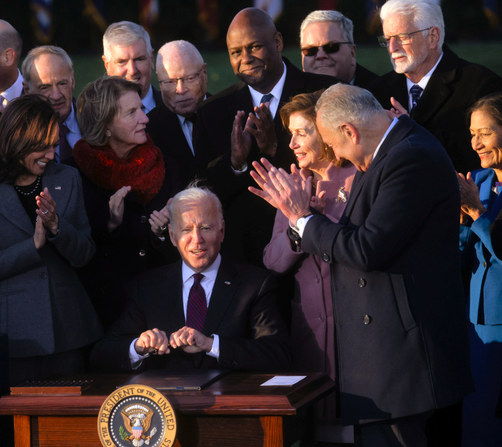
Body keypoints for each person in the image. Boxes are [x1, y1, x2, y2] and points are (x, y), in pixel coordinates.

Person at [251, 83, 471, 446]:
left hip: (402, 360)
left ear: (349, 131)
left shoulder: (408, 157)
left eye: (335, 145)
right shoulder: (395, 148)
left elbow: (368, 249)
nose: (341, 157)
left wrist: (303, 219)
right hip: (381, 361)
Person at [0, 94, 101, 385]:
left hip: (65, 332)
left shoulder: (68, 178)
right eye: (43, 146)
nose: (51, 154)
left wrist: (57, 228)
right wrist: (31, 246)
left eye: (54, 144)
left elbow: (85, 253)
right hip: (7, 336)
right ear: (19, 140)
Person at [90, 185, 291, 372]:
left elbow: (278, 355)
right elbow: (101, 355)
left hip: (231, 404)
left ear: (221, 231)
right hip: (166, 405)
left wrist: (211, 344)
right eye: (186, 230)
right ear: (172, 236)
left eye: (205, 228)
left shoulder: (254, 285)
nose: (197, 239)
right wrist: (138, 347)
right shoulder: (146, 288)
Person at [197, 7, 337, 267]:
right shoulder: (213, 112)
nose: (246, 58)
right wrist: (235, 164)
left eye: (255, 47)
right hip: (243, 262)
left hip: (315, 254)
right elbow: (208, 192)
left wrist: (275, 149)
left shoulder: (324, 94)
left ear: (278, 42)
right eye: (236, 52)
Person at [256, 91, 356, 445]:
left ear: (327, 133)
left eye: (303, 132)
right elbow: (274, 260)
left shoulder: (358, 178)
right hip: (310, 337)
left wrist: (307, 218)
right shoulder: (292, 183)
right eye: (290, 134)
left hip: (356, 334)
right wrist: (299, 221)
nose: (293, 143)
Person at [74, 76, 179, 329]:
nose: (145, 118)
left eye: (141, 108)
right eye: (132, 112)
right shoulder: (75, 175)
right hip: (106, 314)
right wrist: (109, 226)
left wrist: (161, 233)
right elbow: (78, 256)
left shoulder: (166, 166)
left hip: (162, 308)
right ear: (106, 125)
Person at [371, 0, 502, 173]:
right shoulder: (378, 90)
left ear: (433, 36)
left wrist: (412, 131)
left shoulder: (480, 84)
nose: (392, 48)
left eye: (402, 38)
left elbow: (478, 159)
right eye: (387, 39)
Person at [457, 92, 502, 446]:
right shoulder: (481, 180)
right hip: (476, 319)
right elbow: (466, 247)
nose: (476, 143)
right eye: (473, 134)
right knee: (477, 420)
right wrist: (458, 224)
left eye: (485, 133)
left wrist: (478, 216)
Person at [147, 40, 210, 187]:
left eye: (189, 79)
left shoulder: (229, 114)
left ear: (204, 73)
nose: (180, 90)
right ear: (159, 82)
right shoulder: (148, 130)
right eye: (170, 82)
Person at [22, 45, 80, 163]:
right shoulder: (20, 135)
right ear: (27, 90)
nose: (56, 96)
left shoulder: (96, 121)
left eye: (62, 83)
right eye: (45, 87)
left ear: (72, 82)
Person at [299, 10, 378, 89]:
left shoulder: (380, 93)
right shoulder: (292, 95)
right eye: (311, 50)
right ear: (302, 57)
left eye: (331, 47)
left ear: (352, 53)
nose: (320, 55)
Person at [102, 21, 162, 114]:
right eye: (122, 62)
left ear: (151, 60)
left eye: (139, 59)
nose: (132, 71)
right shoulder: (93, 117)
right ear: (107, 65)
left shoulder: (175, 110)